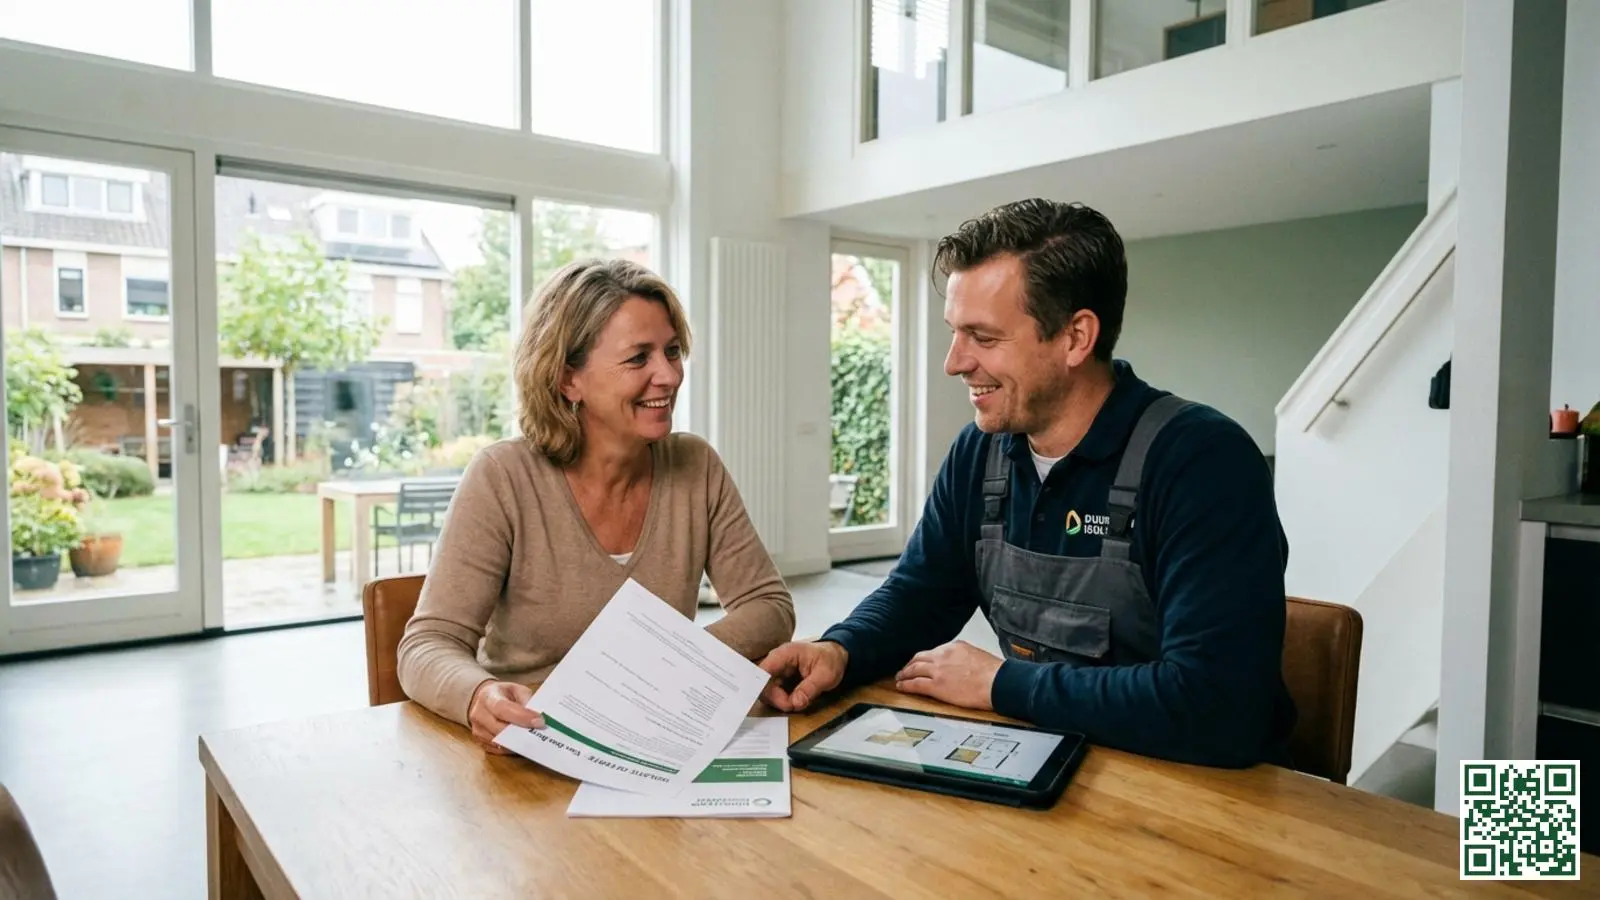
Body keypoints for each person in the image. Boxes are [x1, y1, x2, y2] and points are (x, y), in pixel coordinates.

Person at [760, 199, 1295, 769]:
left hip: (1200, 796)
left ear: (1075, 338)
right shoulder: (981, 451)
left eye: (983, 337)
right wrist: (841, 648)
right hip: (1054, 765)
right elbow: (921, 593)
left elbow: (1217, 706)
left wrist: (1001, 685)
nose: (953, 362)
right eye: (954, 332)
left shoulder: (1202, 461)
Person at [399, 257, 796, 754]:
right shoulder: (502, 476)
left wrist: (673, 665)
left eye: (673, 352)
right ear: (569, 379)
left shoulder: (695, 465)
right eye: (639, 358)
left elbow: (769, 606)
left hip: (653, 741)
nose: (668, 375)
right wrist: (478, 694)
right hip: (531, 750)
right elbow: (426, 645)